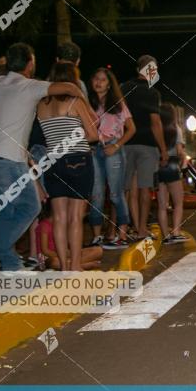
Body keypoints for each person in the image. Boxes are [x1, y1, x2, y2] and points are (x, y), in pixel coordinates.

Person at [0, 42, 84, 271]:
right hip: (8, 159)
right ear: (30, 63)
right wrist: (81, 98)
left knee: (2, 212)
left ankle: (9, 265)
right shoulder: (31, 86)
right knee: (30, 207)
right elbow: (68, 89)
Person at [37, 62, 98, 271]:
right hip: (78, 160)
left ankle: (64, 267)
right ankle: (76, 268)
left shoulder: (40, 105)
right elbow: (93, 135)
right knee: (76, 218)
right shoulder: (75, 101)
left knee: (60, 218)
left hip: (53, 163)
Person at [120, 55, 168, 241]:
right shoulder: (152, 92)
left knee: (129, 189)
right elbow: (155, 123)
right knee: (145, 189)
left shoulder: (124, 88)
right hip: (147, 145)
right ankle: (141, 229)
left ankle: (131, 226)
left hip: (127, 142)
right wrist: (163, 149)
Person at [88, 67, 135, 248]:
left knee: (116, 193)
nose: (98, 82)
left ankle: (121, 235)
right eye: (96, 79)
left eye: (103, 80)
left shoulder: (118, 103)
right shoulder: (88, 104)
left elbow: (132, 128)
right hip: (94, 150)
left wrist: (116, 145)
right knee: (96, 194)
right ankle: (97, 236)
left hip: (113, 149)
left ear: (109, 84)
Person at [156, 103, 189, 244]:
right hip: (172, 166)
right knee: (178, 203)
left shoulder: (156, 130)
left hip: (157, 166)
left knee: (162, 205)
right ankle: (176, 231)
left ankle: (165, 236)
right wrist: (183, 161)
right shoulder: (176, 129)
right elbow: (180, 152)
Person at [35, 200, 102, 270]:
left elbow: (66, 248)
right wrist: (63, 255)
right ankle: (84, 265)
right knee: (54, 262)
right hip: (48, 257)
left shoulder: (63, 224)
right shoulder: (44, 225)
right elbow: (45, 251)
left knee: (98, 250)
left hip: (62, 255)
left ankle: (74, 264)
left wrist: (70, 253)